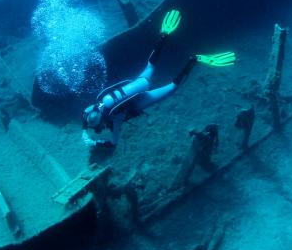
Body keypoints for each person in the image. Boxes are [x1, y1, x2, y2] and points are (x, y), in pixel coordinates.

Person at [81, 10, 235, 148]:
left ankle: (193, 60)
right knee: (150, 66)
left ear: (101, 120)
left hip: (141, 99)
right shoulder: (94, 106)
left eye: (98, 126)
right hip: (137, 84)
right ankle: (164, 35)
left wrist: (95, 143)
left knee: (172, 88)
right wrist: (84, 130)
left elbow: (114, 143)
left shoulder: (115, 119)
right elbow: (84, 115)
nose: (98, 129)